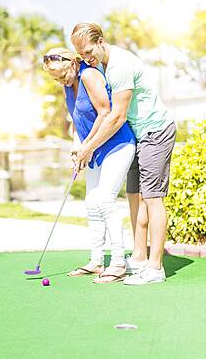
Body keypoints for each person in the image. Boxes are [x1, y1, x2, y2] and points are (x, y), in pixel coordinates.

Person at [70, 23, 176, 285]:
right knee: (134, 197)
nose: (86, 58)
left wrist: (89, 147)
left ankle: (155, 268)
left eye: (88, 51)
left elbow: (116, 117)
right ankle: (139, 258)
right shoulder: (98, 66)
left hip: (155, 131)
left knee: (153, 199)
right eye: (81, 54)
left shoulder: (119, 67)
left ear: (101, 41)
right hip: (137, 134)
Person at [43, 48, 135, 283]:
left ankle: (117, 263)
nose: (60, 81)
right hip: (93, 150)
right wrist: (78, 148)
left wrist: (88, 146)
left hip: (117, 144)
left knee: (105, 200)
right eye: (55, 78)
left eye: (61, 75)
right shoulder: (68, 85)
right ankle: (96, 261)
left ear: (72, 64)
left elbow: (105, 113)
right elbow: (77, 120)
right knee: (92, 204)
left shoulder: (89, 75)